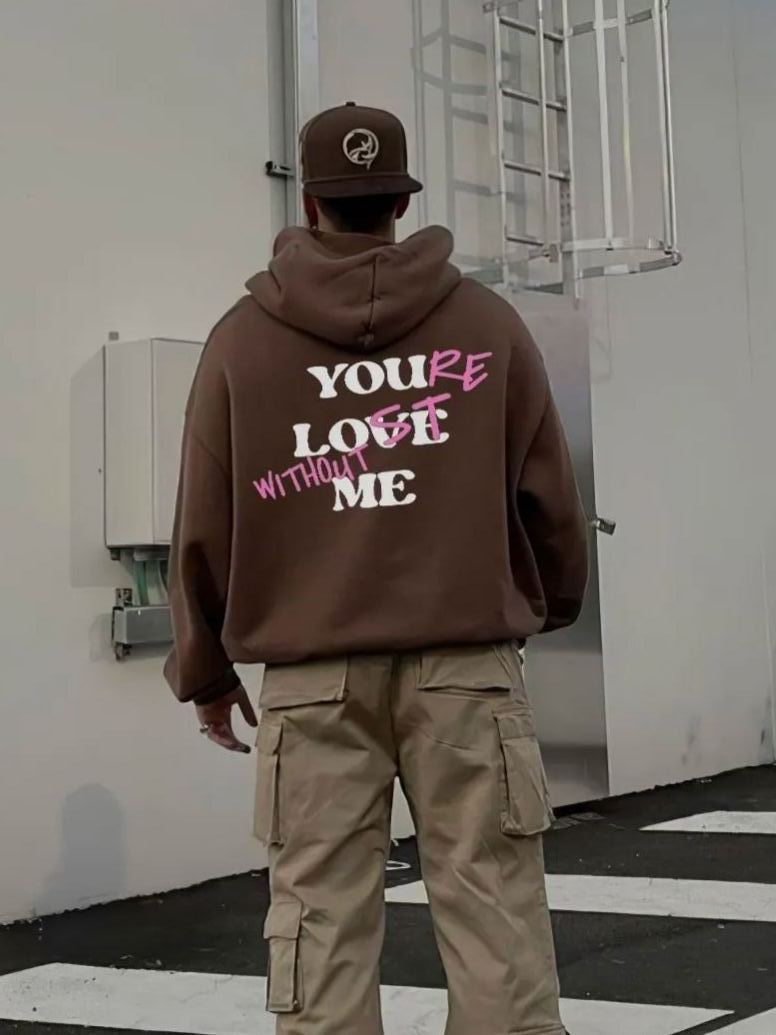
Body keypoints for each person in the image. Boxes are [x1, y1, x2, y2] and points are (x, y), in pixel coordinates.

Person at [164, 102, 588, 1035]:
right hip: (467, 669)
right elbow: (548, 491)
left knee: (319, 918)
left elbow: (205, 517)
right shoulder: (487, 325)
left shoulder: (243, 339)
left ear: (309, 202)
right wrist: (546, 603)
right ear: (400, 201)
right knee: (494, 908)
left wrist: (206, 670)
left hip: (312, 678)